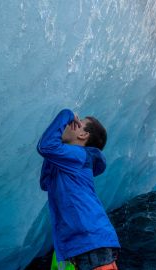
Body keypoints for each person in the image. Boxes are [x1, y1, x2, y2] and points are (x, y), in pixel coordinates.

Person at [37, 109, 120, 270]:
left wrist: (67, 113)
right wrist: (55, 152)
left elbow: (45, 146)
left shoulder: (81, 156)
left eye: (77, 123)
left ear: (83, 135)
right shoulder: (68, 162)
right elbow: (45, 183)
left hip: (91, 241)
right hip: (78, 243)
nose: (69, 124)